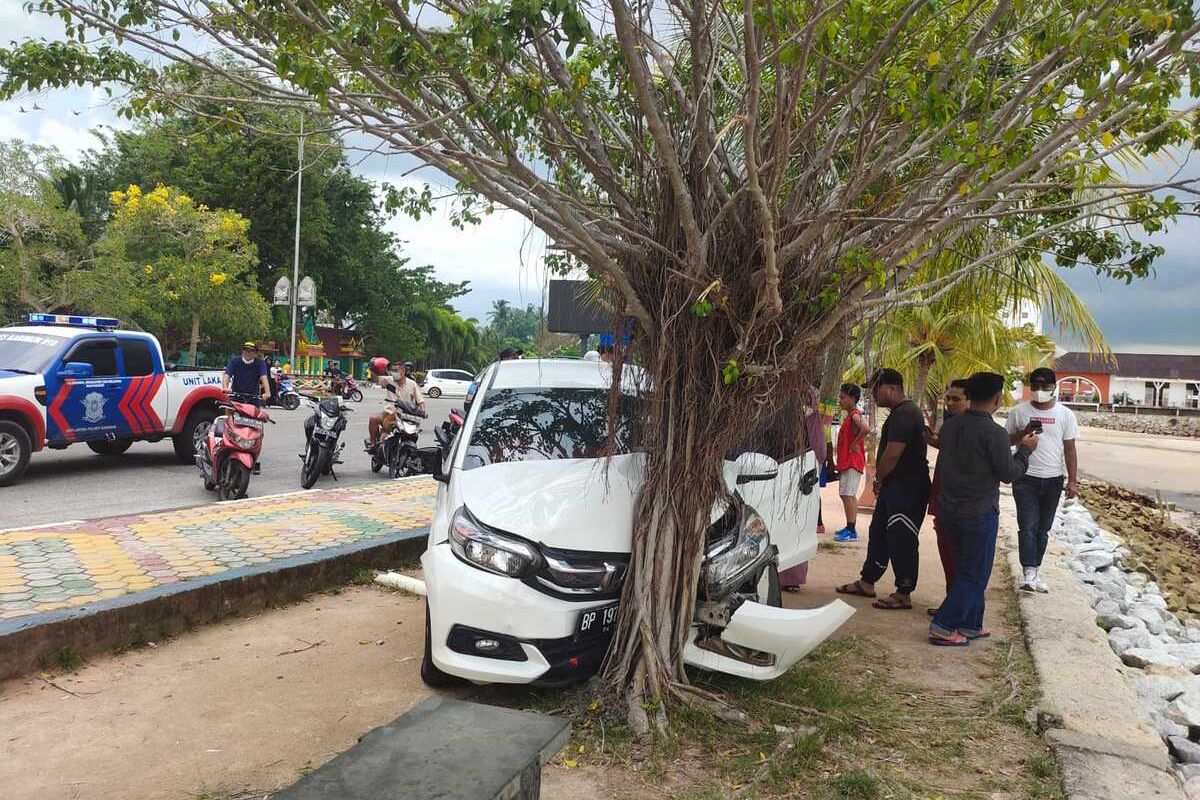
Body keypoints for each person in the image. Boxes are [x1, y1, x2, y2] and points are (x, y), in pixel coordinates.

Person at [929, 372, 1039, 646]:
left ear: (970, 396)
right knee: (975, 573)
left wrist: (1019, 439)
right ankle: (943, 625)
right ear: (996, 399)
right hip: (977, 511)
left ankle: (970, 624)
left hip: (949, 508)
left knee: (966, 568)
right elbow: (1008, 472)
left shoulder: (951, 427)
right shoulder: (994, 432)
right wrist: (1026, 452)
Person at [835, 368, 929, 611]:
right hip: (895, 485)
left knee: (901, 537)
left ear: (892, 388)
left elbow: (892, 454)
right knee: (879, 533)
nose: (873, 395)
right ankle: (868, 581)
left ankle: (903, 591)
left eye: (875, 389)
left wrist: (878, 478)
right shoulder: (899, 413)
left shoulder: (905, 414)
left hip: (907, 486)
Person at [1005, 367, 1079, 593]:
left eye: (1044, 386)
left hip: (1054, 479)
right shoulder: (1018, 412)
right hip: (1024, 477)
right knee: (1027, 526)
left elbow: (1070, 449)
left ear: (1054, 387)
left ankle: (1035, 570)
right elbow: (1007, 441)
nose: (1039, 391)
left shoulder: (1065, 415)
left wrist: (1072, 481)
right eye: (1034, 386)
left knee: (1043, 529)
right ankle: (1029, 572)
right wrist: (1024, 432)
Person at [924, 379, 970, 615]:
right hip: (943, 497)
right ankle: (952, 601)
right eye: (948, 398)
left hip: (957, 502)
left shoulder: (969, 427)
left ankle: (957, 607)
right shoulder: (952, 425)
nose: (950, 403)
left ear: (970, 401)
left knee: (958, 556)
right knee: (948, 552)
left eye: (956, 399)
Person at [779, 384, 826, 591]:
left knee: (791, 525)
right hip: (791, 474)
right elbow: (820, 452)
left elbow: (818, 452)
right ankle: (790, 577)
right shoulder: (805, 414)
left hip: (795, 475)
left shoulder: (807, 415)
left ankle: (789, 576)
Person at [832, 383, 869, 542]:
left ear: (852, 399)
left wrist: (855, 444)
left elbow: (866, 429)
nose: (840, 400)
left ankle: (851, 529)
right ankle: (849, 526)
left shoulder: (855, 414)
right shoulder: (850, 416)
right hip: (847, 461)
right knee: (846, 494)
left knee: (848, 494)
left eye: (842, 397)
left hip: (853, 461)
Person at [365, 359, 426, 451]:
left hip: (406, 415)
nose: (394, 373)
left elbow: (421, 400)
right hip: (389, 411)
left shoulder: (412, 384)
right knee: (373, 419)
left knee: (412, 434)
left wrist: (423, 411)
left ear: (403, 371)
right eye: (393, 371)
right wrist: (372, 368)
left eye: (396, 371)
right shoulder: (389, 380)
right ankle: (374, 445)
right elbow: (375, 379)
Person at [223, 342, 271, 406]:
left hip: (253, 397)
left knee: (257, 415)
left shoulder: (260, 363)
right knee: (228, 409)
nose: (248, 353)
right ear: (242, 351)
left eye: (251, 351)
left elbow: (264, 377)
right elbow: (227, 375)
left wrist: (267, 392)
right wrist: (225, 387)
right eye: (245, 350)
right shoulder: (234, 361)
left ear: (255, 353)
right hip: (235, 395)